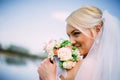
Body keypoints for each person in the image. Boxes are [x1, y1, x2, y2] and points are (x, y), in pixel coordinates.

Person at [37, 6, 120, 80]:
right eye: (69, 35)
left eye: (76, 33)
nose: (71, 41)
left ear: (97, 30)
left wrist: (49, 77)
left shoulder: (89, 65)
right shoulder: (106, 66)